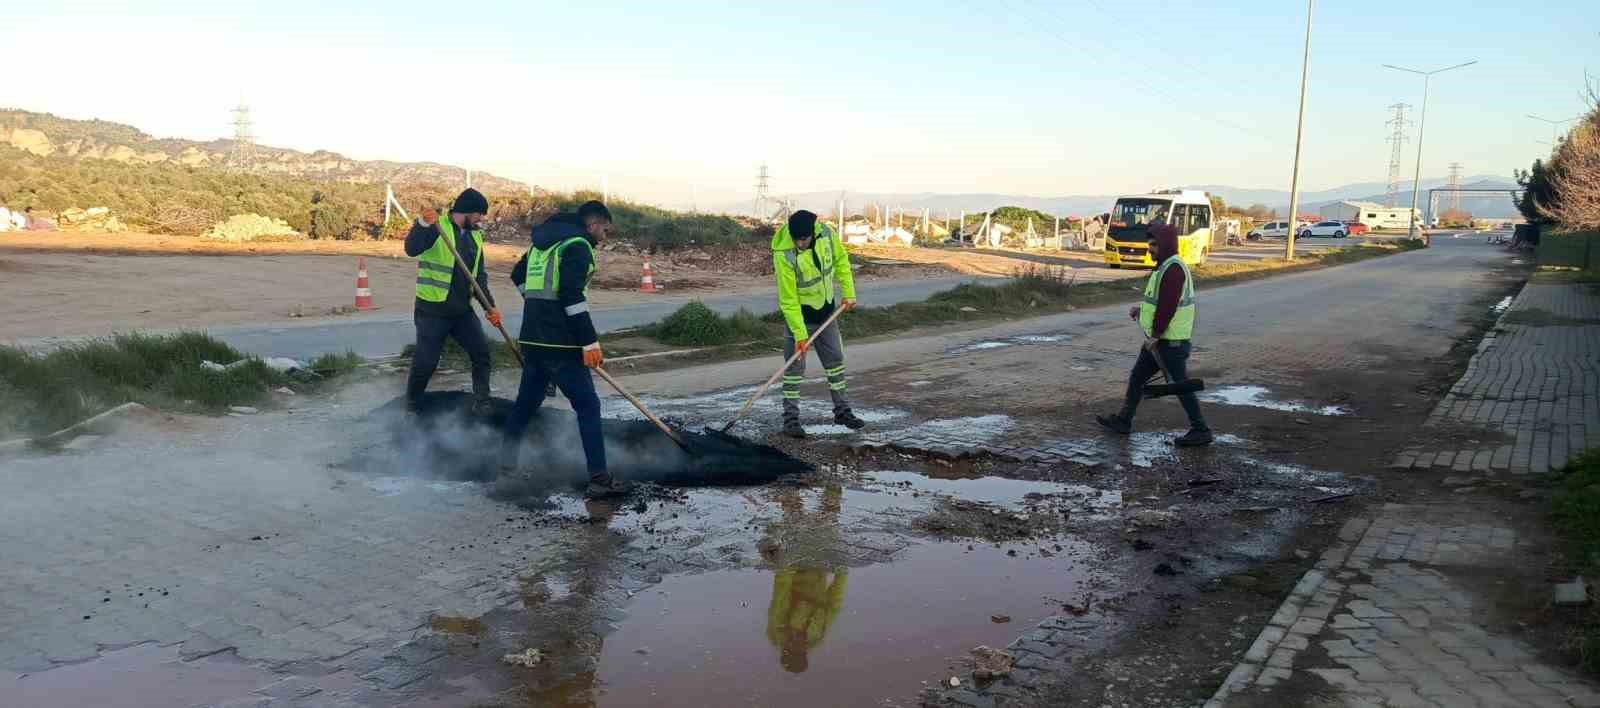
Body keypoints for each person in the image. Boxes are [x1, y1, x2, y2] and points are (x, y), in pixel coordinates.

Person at [501, 200, 618, 498]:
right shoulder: (577, 245)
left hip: (533, 341)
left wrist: (538, 306)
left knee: (525, 405)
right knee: (588, 407)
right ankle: (599, 480)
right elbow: (571, 294)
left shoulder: (543, 245)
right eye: (604, 229)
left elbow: (518, 275)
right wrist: (589, 341)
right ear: (592, 224)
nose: (604, 236)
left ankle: (505, 467)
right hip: (562, 345)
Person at [1096, 222, 1213, 446]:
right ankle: (1124, 421)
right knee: (1138, 378)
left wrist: (1156, 335)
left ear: (1166, 244)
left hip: (1169, 343)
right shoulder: (1165, 267)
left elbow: (1168, 306)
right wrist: (1141, 312)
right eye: (1149, 244)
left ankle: (1201, 429)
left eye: (1154, 245)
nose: (1150, 249)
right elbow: (1160, 303)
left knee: (1181, 386)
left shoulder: (1173, 269)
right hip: (1159, 342)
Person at [403, 188, 500, 416]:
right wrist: (422, 224)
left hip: (461, 312)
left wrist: (490, 307)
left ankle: (482, 401)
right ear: (465, 211)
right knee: (426, 363)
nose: (482, 219)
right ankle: (412, 405)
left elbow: (478, 277)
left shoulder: (475, 236)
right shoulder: (438, 228)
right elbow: (411, 249)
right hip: (432, 310)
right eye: (479, 213)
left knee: (481, 353)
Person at [772, 210, 867, 439]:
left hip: (827, 312)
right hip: (800, 317)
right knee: (794, 370)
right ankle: (791, 421)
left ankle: (842, 412)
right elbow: (788, 298)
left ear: (812, 233)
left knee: (835, 362)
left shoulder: (825, 233)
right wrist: (800, 334)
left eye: (803, 239)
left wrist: (849, 292)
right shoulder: (783, 253)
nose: (799, 243)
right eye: (796, 239)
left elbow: (841, 260)